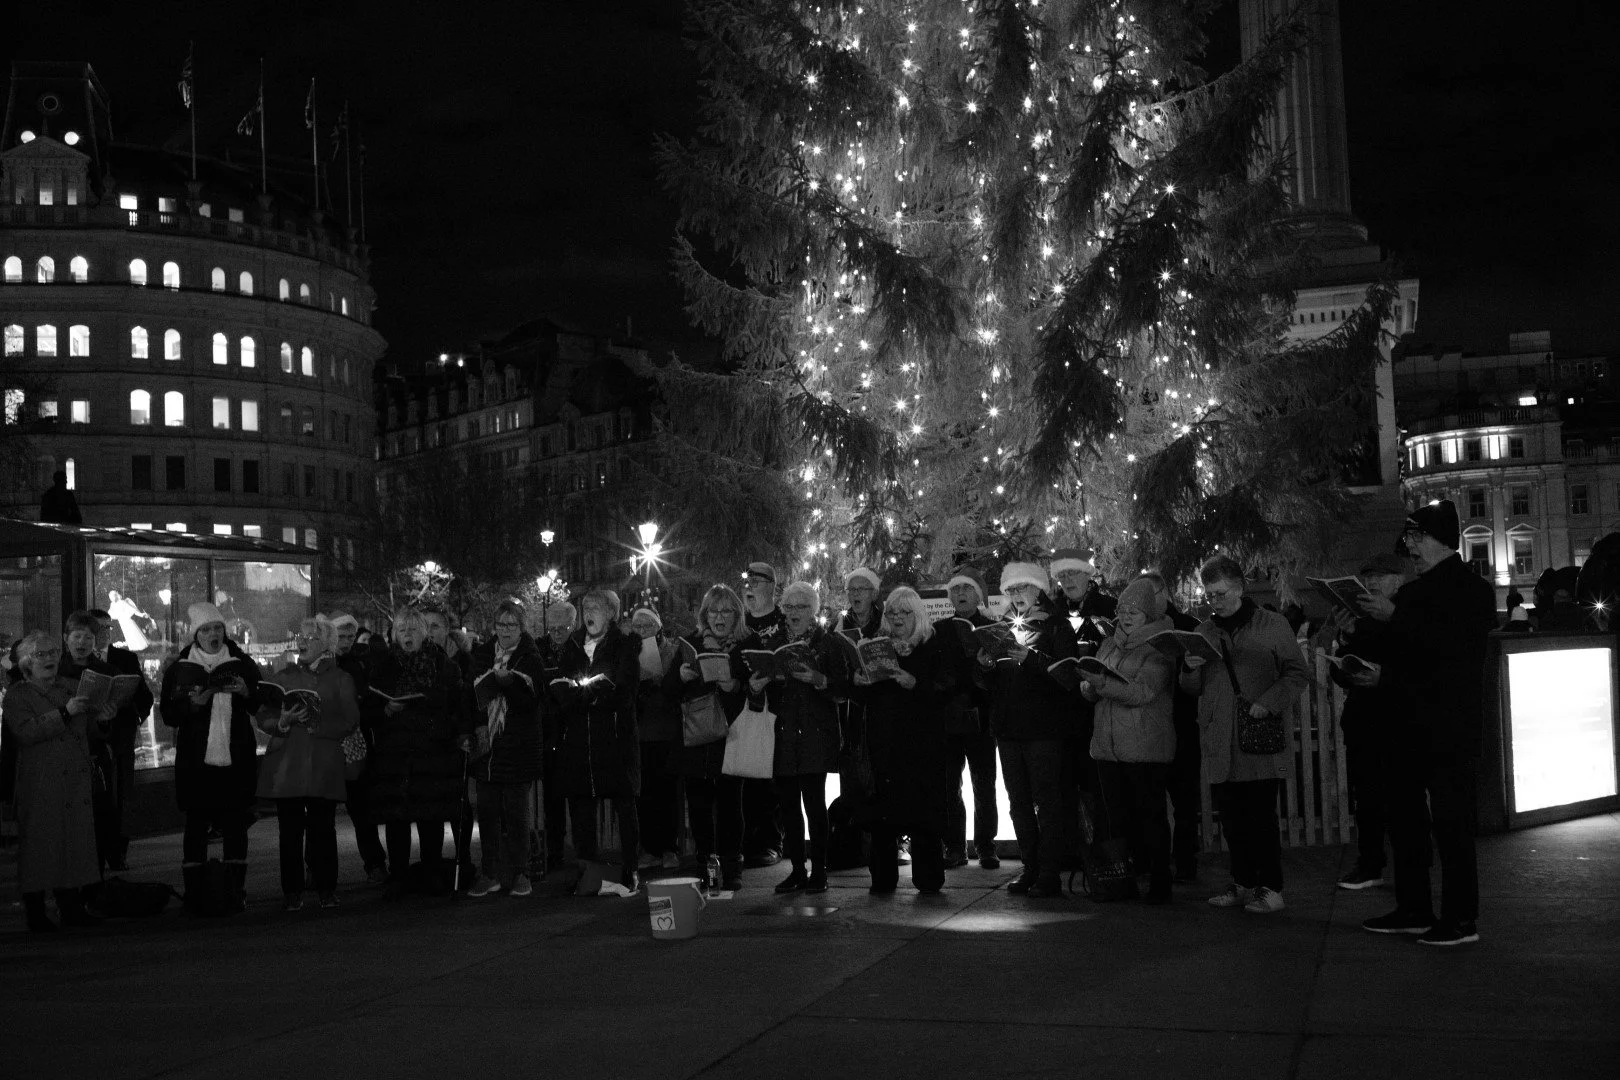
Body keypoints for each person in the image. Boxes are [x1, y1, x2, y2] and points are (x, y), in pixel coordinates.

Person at [1357, 500, 1497, 946]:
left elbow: (1453, 657)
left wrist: (1394, 622)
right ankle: (1414, 907)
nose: (1410, 548)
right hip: (1407, 724)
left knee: (1453, 826)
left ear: (1439, 538)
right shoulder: (1414, 593)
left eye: (1416, 538)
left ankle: (1460, 919)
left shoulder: (1472, 592)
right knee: (1406, 820)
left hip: (1449, 727)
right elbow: (1404, 652)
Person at [1180, 557, 1309, 915]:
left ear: (1239, 587)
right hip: (1220, 735)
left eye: (1219, 593)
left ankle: (1270, 887)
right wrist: (1189, 669)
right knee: (1233, 820)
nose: (1214, 601)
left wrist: (1268, 702)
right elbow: (1192, 688)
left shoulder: (1272, 625)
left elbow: (1297, 673)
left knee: (1261, 817)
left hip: (1256, 731)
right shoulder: (1204, 631)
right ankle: (1243, 882)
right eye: (1209, 595)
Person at [979, 560, 1079, 898]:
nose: (1017, 595)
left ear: (1039, 590)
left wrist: (1031, 659)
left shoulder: (1057, 627)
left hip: (1044, 730)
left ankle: (1049, 871)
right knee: (1018, 802)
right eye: (1011, 590)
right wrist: (986, 666)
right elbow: (990, 685)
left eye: (1023, 588)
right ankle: (1030, 866)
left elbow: (1066, 677)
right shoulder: (1003, 626)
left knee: (1047, 801)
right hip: (1008, 729)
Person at [744, 580, 849, 894]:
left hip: (815, 734)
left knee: (815, 805)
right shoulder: (772, 642)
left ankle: (819, 870)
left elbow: (843, 689)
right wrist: (756, 687)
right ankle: (797, 870)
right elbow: (758, 695)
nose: (793, 613)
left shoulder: (827, 643)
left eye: (801, 607)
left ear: (813, 610)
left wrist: (818, 679)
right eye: (789, 607)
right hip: (783, 735)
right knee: (788, 807)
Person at [1079, 576, 1178, 904]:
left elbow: (1143, 692)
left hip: (1145, 747)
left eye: (1134, 610)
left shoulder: (1162, 647)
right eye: (1122, 609)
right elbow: (1101, 691)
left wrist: (1103, 685)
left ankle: (1160, 880)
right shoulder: (1109, 643)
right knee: (1113, 817)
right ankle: (1120, 880)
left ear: (1149, 613)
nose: (1126, 615)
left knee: (1150, 817)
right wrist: (1089, 686)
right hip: (1108, 748)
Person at [852, 586, 957, 894]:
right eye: (891, 613)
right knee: (883, 815)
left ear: (918, 615)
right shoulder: (877, 647)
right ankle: (883, 879)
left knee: (924, 814)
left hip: (923, 745)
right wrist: (858, 682)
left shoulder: (933, 647)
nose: (896, 618)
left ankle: (928, 878)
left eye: (903, 612)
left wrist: (915, 683)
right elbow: (865, 697)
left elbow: (946, 689)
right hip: (884, 744)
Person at [160, 602, 263, 914]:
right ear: (195, 634)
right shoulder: (179, 668)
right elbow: (169, 715)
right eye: (206, 630)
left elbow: (260, 704)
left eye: (218, 628)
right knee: (196, 826)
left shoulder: (242, 663)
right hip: (197, 762)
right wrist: (196, 704)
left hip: (235, 758)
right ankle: (195, 893)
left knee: (235, 825)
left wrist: (246, 693)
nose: (213, 634)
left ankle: (235, 890)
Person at [367, 606, 472, 899]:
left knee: (431, 816)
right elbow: (370, 708)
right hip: (395, 754)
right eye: (402, 631)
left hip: (432, 751)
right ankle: (398, 874)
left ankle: (431, 871)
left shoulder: (443, 665)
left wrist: (458, 733)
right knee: (397, 818)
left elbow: (457, 705)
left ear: (424, 633)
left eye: (413, 629)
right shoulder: (386, 666)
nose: (407, 635)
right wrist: (387, 708)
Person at [256, 617, 361, 910]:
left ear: (325, 644)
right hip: (288, 765)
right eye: (299, 637)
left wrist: (320, 726)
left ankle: (327, 888)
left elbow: (351, 720)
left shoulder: (340, 678)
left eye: (310, 638)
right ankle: (292, 892)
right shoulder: (284, 676)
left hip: (321, 763)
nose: (302, 643)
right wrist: (281, 721)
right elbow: (263, 714)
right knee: (289, 831)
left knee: (322, 829)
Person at [1322, 552, 1410, 892]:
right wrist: (1345, 640)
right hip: (1363, 720)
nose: (1371, 583)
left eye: (1379, 576)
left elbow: (1417, 659)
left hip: (1400, 720)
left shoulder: (1406, 614)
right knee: (1368, 798)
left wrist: (1383, 677)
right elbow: (1338, 672)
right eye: (1367, 577)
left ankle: (1410, 865)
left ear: (1398, 579)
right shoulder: (1362, 618)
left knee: (1404, 798)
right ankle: (1370, 862)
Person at [3, 631, 100, 931]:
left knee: (72, 841)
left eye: (53, 653)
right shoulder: (19, 695)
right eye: (41, 654)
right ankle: (36, 911)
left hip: (74, 776)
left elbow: (90, 730)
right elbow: (26, 732)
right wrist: (64, 712)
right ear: (27, 662)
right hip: (40, 778)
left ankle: (71, 905)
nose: (49, 659)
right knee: (41, 845)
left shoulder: (72, 687)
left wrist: (104, 716)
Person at [552, 589, 643, 892]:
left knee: (624, 804)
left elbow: (625, 691)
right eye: (586, 607)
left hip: (613, 738)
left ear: (612, 614)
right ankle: (588, 869)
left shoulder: (624, 646)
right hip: (580, 741)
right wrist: (579, 695)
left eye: (597, 608)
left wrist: (592, 696)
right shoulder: (573, 646)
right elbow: (564, 689)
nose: (590, 612)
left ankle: (630, 868)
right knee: (581, 808)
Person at [666, 584, 749, 891]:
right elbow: (668, 692)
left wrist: (735, 687)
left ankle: (732, 866)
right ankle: (706, 865)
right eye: (713, 611)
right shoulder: (690, 642)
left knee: (730, 804)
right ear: (704, 615)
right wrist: (681, 677)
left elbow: (757, 690)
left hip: (731, 734)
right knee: (699, 805)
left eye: (726, 610)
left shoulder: (745, 645)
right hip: (697, 736)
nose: (719, 617)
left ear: (736, 615)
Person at [466, 601, 547, 899]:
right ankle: (490, 872)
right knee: (487, 812)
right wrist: (475, 728)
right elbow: (471, 694)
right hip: (488, 746)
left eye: (511, 625)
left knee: (516, 814)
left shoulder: (530, 657)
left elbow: (532, 701)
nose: (505, 630)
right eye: (501, 624)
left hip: (518, 746)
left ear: (521, 627)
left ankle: (520, 872)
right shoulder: (484, 653)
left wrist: (509, 684)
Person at [1135, 574, 1204, 882]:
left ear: (1164, 593)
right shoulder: (1139, 626)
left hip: (1182, 720)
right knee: (1149, 799)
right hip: (1149, 722)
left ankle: (1187, 860)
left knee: (1185, 798)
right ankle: (1153, 859)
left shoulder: (1187, 625)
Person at [1050, 547, 1115, 872]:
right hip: (1062, 713)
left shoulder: (1107, 607)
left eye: (1072, 573)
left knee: (1098, 786)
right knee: (1064, 785)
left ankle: (1104, 855)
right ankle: (1070, 852)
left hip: (1098, 712)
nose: (1067, 581)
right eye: (1062, 576)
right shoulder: (1053, 611)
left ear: (1088, 575)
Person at [934, 566, 1001, 869]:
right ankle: (954, 847)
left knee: (984, 784)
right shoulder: (939, 630)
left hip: (982, 718)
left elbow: (998, 678)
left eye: (966, 589)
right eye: (956, 590)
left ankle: (986, 846)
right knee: (948, 785)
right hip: (948, 718)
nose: (960, 594)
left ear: (979, 595)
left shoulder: (991, 628)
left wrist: (984, 668)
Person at [86, 607, 153, 871]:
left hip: (120, 738)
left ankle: (117, 851)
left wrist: (135, 719)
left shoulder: (124, 658)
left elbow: (143, 696)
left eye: (108, 628)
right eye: (98, 628)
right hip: (91, 740)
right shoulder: (78, 660)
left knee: (121, 795)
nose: (104, 633)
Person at [57, 610, 122, 874]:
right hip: (63, 751)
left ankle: (95, 882)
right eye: (77, 636)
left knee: (97, 820)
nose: (81, 643)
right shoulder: (55, 669)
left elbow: (119, 721)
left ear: (96, 641)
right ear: (66, 638)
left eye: (87, 637)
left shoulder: (106, 672)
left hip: (94, 753)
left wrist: (108, 718)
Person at [330, 612, 388, 884]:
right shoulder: (326, 663)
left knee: (362, 809)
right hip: (328, 744)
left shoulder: (359, 663)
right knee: (322, 812)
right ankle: (317, 867)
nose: (346, 641)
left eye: (350, 637)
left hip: (355, 742)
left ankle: (375, 862)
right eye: (341, 636)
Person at [421, 602, 476, 883]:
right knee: (428, 806)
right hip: (426, 744)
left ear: (446, 631)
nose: (429, 633)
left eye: (435, 626)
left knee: (457, 803)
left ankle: (462, 858)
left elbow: (465, 703)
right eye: (425, 626)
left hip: (450, 742)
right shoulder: (417, 662)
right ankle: (430, 861)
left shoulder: (460, 663)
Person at [739, 561, 786, 869]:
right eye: (748, 580)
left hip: (778, 707)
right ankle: (746, 841)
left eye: (758, 580)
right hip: (745, 708)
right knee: (746, 778)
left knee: (772, 781)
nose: (751, 585)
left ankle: (773, 841)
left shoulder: (783, 620)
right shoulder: (739, 623)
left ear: (772, 585)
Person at [630, 606, 683, 870]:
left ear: (658, 627)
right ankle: (649, 849)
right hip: (641, 733)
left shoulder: (671, 650)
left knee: (667, 793)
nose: (641, 631)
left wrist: (661, 681)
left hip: (666, 732)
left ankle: (669, 848)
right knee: (645, 795)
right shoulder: (629, 652)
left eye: (647, 626)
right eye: (637, 627)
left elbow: (678, 686)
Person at [538, 599, 578, 872]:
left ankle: (582, 851)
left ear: (572, 625)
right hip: (548, 728)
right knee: (551, 797)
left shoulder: (579, 649)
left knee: (576, 795)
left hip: (573, 726)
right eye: (551, 628)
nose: (556, 633)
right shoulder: (539, 649)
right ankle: (554, 850)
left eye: (561, 627)